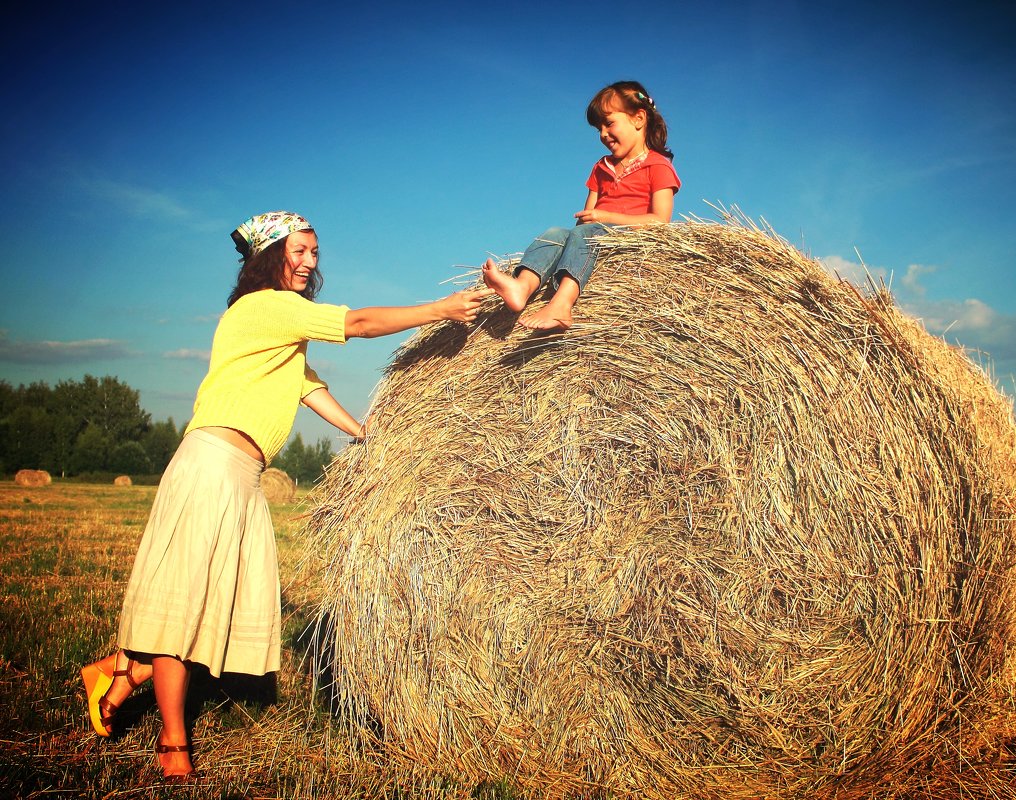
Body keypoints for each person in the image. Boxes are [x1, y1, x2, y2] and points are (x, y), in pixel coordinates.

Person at [79, 210, 492, 781]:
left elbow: (308, 388)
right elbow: (361, 322)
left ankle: (121, 672)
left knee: (211, 604)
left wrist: (369, 434)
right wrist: (439, 309)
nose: (309, 262)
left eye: (315, 253)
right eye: (298, 250)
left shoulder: (281, 332)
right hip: (210, 465)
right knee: (183, 604)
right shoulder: (265, 308)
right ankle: (173, 740)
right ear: (269, 255)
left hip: (244, 477)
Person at [482, 80, 680, 330]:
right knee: (556, 233)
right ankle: (522, 286)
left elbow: (660, 221)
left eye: (609, 123)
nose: (603, 134)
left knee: (587, 233)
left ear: (638, 119)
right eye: (599, 128)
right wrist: (587, 224)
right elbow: (586, 218)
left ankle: (563, 302)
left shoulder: (658, 165)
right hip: (592, 233)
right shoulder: (601, 167)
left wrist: (604, 217)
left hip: (631, 239)